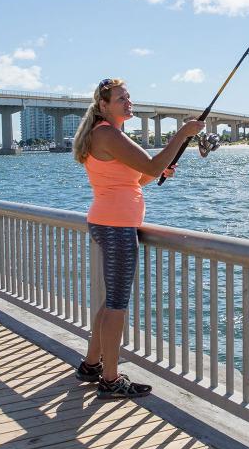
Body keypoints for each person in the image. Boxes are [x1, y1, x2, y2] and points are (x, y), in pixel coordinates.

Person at [72, 78, 205, 399]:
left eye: (128, 96)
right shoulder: (106, 133)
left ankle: (91, 364)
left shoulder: (105, 134)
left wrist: (159, 172)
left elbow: (138, 178)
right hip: (116, 227)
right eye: (121, 98)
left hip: (109, 222)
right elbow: (152, 163)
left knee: (111, 300)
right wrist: (181, 135)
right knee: (117, 304)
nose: (128, 102)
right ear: (104, 105)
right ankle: (110, 378)